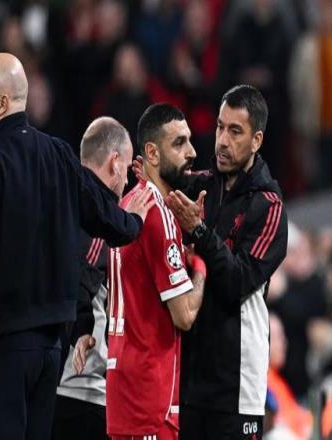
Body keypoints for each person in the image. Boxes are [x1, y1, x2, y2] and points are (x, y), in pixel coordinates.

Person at [0, 52, 153, 440]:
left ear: (2, 102)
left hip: (5, 348)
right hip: (51, 355)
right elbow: (105, 218)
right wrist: (134, 221)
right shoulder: (59, 154)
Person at [164, 85, 288, 439]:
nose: (222, 140)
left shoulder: (269, 206)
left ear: (256, 140)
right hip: (187, 380)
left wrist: (199, 231)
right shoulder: (201, 187)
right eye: (220, 127)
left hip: (236, 388)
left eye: (235, 131)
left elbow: (237, 282)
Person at [107, 103, 207, 440]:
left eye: (189, 140)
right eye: (179, 143)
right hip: (151, 396)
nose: (191, 152)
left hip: (123, 390)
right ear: (151, 153)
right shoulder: (158, 215)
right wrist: (200, 266)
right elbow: (184, 315)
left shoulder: (129, 206)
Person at [52, 116, 132, 440]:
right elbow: (81, 280)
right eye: (127, 168)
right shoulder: (98, 220)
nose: (127, 180)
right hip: (80, 386)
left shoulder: (58, 203)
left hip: (48, 380)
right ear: (115, 163)